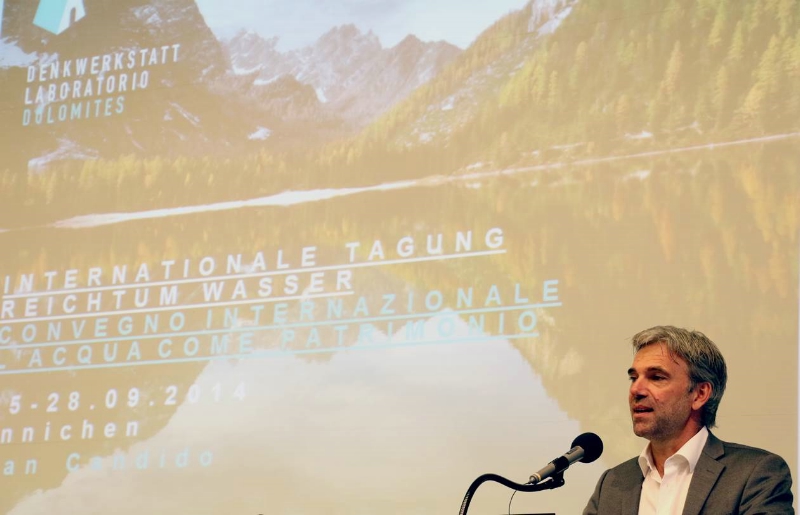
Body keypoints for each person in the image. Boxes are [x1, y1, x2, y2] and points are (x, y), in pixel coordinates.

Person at [583, 325, 794, 514]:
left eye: (656, 377)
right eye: (633, 378)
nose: (636, 390)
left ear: (700, 394)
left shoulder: (754, 474)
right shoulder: (613, 483)